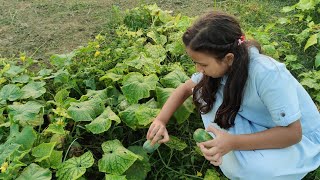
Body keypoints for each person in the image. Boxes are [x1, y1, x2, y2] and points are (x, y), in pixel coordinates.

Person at [146, 11, 320, 180]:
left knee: (249, 171)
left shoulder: (267, 74)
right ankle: (229, 145)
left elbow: (293, 134)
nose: (198, 69)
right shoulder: (226, 65)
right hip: (261, 121)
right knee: (202, 91)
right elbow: (185, 89)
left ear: (228, 58)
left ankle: (232, 147)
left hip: (300, 138)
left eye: (202, 64)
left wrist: (233, 142)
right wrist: (160, 120)